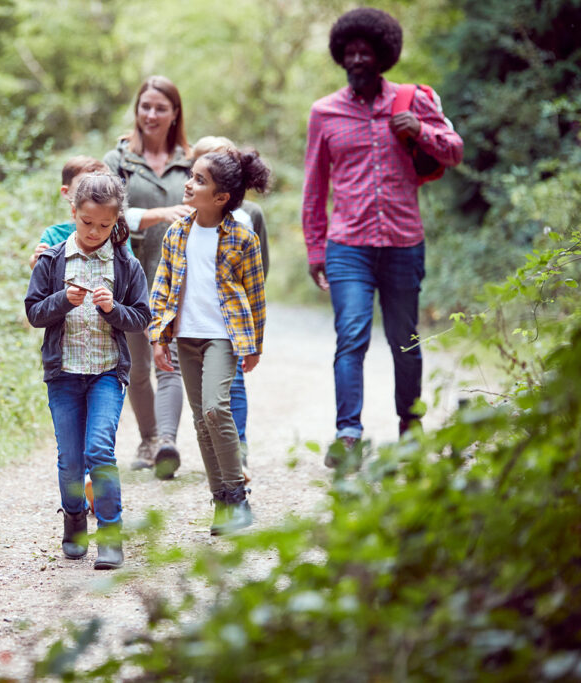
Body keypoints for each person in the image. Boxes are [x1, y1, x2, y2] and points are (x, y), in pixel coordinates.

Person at [302, 8, 463, 465]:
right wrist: (316, 247)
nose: (356, 58)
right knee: (351, 337)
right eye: (349, 51)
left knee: (404, 340)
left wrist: (422, 130)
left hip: (403, 243)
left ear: (382, 54)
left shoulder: (414, 100)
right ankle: (348, 434)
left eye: (365, 50)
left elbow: (455, 149)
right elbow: (315, 187)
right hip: (347, 246)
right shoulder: (324, 112)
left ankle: (410, 428)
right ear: (341, 55)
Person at [25, 172, 150, 570]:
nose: (95, 231)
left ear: (116, 223)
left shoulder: (126, 265)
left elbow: (141, 318)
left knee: (100, 450)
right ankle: (75, 520)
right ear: (73, 212)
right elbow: (34, 312)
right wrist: (62, 299)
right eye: (87, 222)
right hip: (64, 375)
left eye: (105, 225)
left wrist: (114, 310)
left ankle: (111, 536)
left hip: (107, 374)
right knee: (71, 461)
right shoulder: (51, 259)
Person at [149, 147, 269, 536]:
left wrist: (255, 345)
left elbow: (256, 294)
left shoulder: (242, 236)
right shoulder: (177, 233)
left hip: (223, 336)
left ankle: (238, 496)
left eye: (199, 180)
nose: (189, 183)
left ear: (220, 198)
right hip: (186, 337)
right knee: (201, 422)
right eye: (191, 175)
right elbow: (162, 288)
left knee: (217, 409)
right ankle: (221, 502)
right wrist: (158, 337)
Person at [104, 75, 192, 479]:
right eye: (145, 106)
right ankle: (149, 438)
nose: (151, 114)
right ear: (136, 110)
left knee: (168, 361)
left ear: (175, 113)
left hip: (180, 278)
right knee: (138, 367)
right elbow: (102, 211)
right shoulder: (119, 161)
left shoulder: (192, 163)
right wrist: (158, 216)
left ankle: (166, 442)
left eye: (161, 107)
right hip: (131, 278)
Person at [189, 136, 270, 473]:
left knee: (231, 386)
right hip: (192, 325)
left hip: (230, 324)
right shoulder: (184, 220)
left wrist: (251, 336)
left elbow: (258, 275)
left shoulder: (250, 216)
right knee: (204, 404)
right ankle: (222, 467)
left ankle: (239, 451)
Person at [28, 155, 110, 269]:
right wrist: (36, 259)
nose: (93, 190)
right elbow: (39, 269)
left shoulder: (115, 233)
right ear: (66, 192)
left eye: (100, 184)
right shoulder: (53, 235)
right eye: (84, 184)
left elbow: (128, 269)